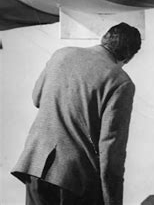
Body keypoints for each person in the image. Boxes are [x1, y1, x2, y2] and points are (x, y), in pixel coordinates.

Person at [11, 22, 142, 205]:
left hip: (36, 164)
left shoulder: (62, 54)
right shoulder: (120, 82)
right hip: (74, 180)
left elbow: (37, 98)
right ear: (128, 57)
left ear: (104, 38)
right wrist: (113, 200)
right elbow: (111, 149)